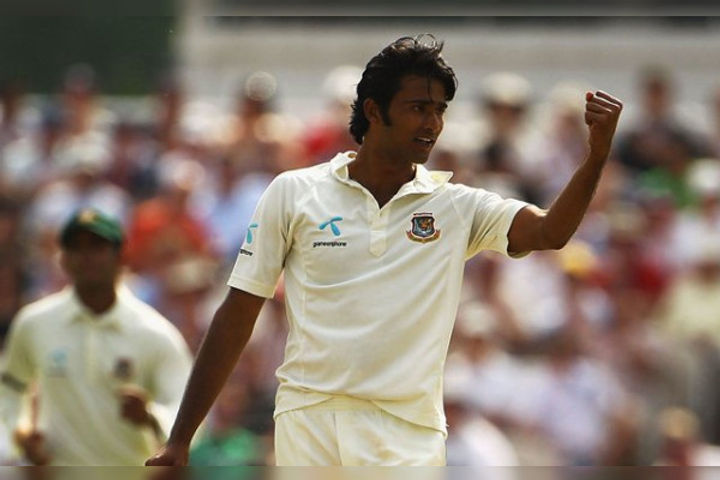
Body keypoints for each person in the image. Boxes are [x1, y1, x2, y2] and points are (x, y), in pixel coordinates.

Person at [147, 34, 622, 466]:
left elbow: (550, 232)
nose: (433, 123)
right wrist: (181, 437)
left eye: (440, 110)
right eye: (418, 107)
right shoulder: (293, 192)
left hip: (406, 434)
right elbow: (238, 312)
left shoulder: (457, 206)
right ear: (374, 111)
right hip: (308, 422)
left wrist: (596, 157)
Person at [0, 208, 192, 465]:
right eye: (76, 248)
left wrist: (151, 416)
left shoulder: (153, 332)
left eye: (97, 247)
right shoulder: (35, 323)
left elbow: (186, 407)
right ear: (63, 259)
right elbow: (10, 386)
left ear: (121, 257)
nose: (86, 257)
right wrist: (20, 433)